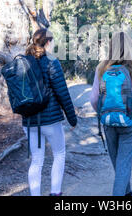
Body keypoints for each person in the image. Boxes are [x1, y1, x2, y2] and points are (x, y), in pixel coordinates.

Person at [90, 31, 132, 196]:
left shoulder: (102, 68)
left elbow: (93, 99)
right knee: (123, 163)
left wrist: (104, 113)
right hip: (130, 122)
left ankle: (128, 193)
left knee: (119, 163)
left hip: (108, 123)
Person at [23, 28, 77, 196]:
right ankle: (55, 193)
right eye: (52, 42)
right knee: (59, 154)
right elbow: (62, 92)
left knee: (37, 160)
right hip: (50, 120)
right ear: (47, 42)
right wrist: (72, 119)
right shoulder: (52, 62)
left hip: (30, 120)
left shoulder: (24, 62)